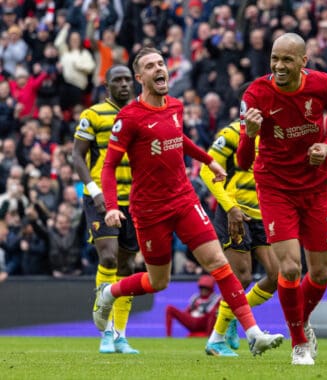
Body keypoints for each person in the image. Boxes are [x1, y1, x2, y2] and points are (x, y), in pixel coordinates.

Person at [96, 47, 283, 357]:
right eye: (150, 66)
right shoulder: (128, 118)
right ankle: (111, 291)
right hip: (149, 210)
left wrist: (208, 160)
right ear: (139, 77)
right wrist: (113, 206)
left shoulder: (176, 106)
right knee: (159, 282)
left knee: (220, 265)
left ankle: (253, 333)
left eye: (161, 63)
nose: (159, 68)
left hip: (184, 200)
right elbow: (109, 166)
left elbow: (179, 138)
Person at [236, 33, 327, 365]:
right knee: (291, 267)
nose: (279, 66)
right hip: (275, 188)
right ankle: (299, 344)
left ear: (303, 62)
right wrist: (250, 135)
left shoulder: (323, 85)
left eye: (286, 60)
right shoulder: (256, 94)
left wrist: (326, 145)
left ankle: (300, 319)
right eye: (274, 59)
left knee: (322, 273)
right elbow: (242, 162)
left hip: (314, 187)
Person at [199, 82, 279, 357]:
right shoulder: (232, 132)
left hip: (264, 214)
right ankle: (216, 339)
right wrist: (230, 207)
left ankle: (232, 315)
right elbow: (206, 171)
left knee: (277, 275)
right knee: (242, 275)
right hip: (235, 211)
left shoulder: (274, 134)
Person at [72, 64, 139, 354]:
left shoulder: (143, 113)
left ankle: (121, 334)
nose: (124, 84)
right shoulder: (93, 115)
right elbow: (77, 156)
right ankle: (106, 331)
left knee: (127, 266)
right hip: (101, 197)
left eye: (127, 80)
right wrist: (95, 190)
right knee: (109, 258)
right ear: (106, 85)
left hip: (135, 199)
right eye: (118, 80)